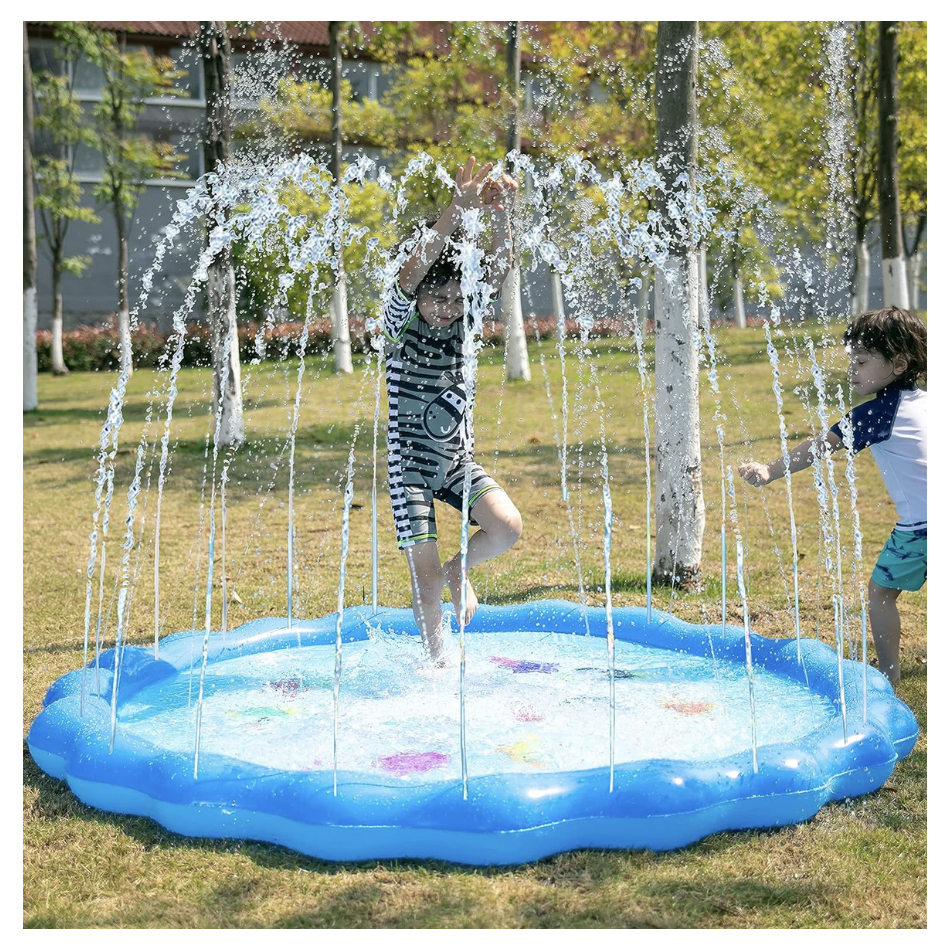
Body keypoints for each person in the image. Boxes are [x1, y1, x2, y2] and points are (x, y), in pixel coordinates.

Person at [381, 157, 523, 664]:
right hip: (412, 468)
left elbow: (501, 265)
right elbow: (413, 268)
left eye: (457, 298)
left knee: (507, 526)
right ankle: (439, 662)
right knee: (423, 572)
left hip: (456, 461)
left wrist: (503, 212)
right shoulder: (399, 325)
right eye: (437, 297)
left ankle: (462, 568)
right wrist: (455, 210)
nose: (447, 307)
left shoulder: (465, 320)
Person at [739, 306, 927, 686]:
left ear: (900, 363)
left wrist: (771, 470)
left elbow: (820, 446)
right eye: (851, 360)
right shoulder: (929, 401)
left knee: (881, 591)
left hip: (922, 529)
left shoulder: (876, 413)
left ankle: (889, 670)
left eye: (862, 361)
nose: (852, 370)